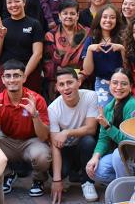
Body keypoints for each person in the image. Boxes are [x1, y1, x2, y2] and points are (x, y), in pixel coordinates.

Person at [0, 59, 51, 197]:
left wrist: (35, 116)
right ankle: (8, 174)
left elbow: (44, 136)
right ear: (2, 79)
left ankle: (38, 180)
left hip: (32, 141)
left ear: (24, 78)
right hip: (7, 140)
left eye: (16, 75)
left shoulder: (36, 99)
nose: (12, 80)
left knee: (43, 156)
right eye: (8, 76)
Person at [48, 68, 99, 203]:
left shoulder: (91, 96)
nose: (66, 88)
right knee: (56, 171)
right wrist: (56, 180)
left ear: (78, 82)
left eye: (70, 82)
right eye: (62, 84)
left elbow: (91, 128)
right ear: (57, 87)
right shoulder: (53, 109)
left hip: (83, 145)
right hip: (65, 148)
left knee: (88, 141)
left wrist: (67, 132)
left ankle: (88, 182)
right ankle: (70, 174)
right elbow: (55, 145)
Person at [85, 68, 135, 184]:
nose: (118, 87)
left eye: (124, 84)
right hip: (120, 156)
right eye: (115, 83)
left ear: (131, 86)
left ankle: (125, 191)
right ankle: (131, 184)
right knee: (95, 171)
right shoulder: (108, 108)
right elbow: (103, 138)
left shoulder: (133, 105)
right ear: (109, 84)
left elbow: (129, 141)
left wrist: (108, 126)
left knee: (118, 154)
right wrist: (95, 157)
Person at [0, 0, 44, 93]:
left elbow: (38, 54)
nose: (13, 5)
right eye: (9, 2)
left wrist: (24, 75)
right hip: (7, 74)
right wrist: (1, 37)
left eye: (17, 1)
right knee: (5, 107)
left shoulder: (34, 24)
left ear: (24, 2)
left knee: (29, 107)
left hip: (29, 72)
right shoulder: (1, 25)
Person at [44, 0, 89, 99]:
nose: (68, 16)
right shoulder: (51, 35)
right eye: (65, 13)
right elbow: (48, 62)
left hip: (81, 80)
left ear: (77, 16)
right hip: (58, 82)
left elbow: (90, 59)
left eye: (72, 13)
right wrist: (59, 80)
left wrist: (82, 75)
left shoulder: (87, 34)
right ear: (59, 16)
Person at [81, 5, 125, 107]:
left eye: (112, 17)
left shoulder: (123, 38)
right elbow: (87, 71)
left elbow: (129, 67)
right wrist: (90, 49)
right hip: (102, 83)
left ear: (117, 20)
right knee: (105, 113)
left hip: (122, 82)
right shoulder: (92, 39)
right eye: (104, 17)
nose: (108, 20)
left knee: (122, 113)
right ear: (99, 19)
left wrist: (122, 49)